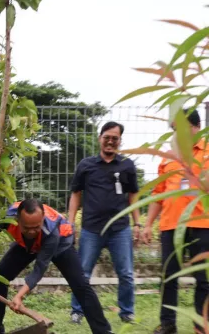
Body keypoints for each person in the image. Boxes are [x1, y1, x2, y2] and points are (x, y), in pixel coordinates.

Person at [0, 199, 113, 334]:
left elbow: (40, 268)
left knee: (80, 285)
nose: (31, 231)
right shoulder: (6, 218)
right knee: (0, 276)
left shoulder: (52, 232)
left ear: (42, 219)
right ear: (17, 220)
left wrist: (19, 295)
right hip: (27, 245)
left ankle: (102, 331)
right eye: (26, 228)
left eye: (36, 227)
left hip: (61, 244)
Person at [141, 108, 209, 334]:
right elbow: (158, 194)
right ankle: (168, 324)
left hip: (203, 225)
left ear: (195, 128)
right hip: (171, 226)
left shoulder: (208, 153)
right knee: (168, 277)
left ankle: (202, 325)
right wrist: (148, 224)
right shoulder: (168, 158)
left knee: (204, 279)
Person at [68, 121, 140, 324]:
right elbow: (75, 194)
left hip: (120, 229)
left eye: (115, 138)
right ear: (100, 138)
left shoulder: (127, 165)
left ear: (120, 141)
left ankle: (127, 312)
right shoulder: (86, 165)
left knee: (126, 274)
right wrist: (70, 222)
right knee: (82, 273)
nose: (110, 142)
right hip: (92, 229)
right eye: (107, 137)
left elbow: (133, 194)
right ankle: (77, 310)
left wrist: (137, 223)